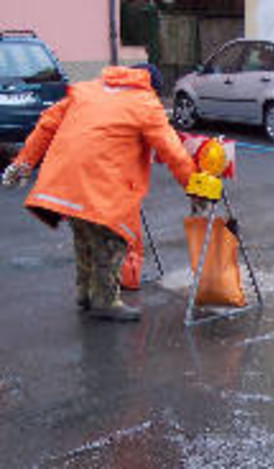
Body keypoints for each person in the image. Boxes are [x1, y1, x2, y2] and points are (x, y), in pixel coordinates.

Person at [2, 64, 197, 322]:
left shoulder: (86, 91)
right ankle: (105, 301)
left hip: (64, 181)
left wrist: (23, 163)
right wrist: (195, 187)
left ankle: (84, 294)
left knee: (84, 236)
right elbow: (172, 151)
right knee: (111, 239)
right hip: (99, 185)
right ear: (153, 87)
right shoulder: (144, 102)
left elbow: (47, 123)